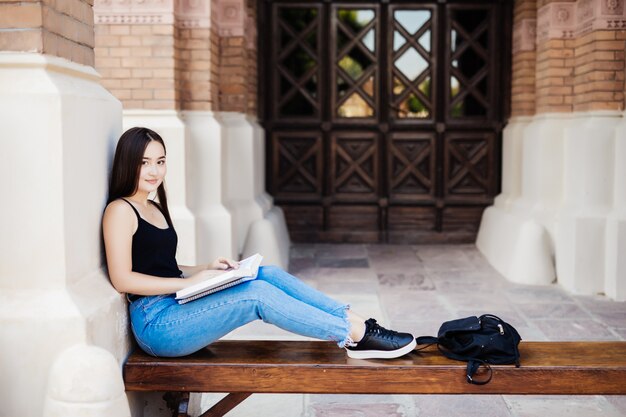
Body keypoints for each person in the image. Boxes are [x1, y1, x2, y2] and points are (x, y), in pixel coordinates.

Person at [102, 127, 416, 359]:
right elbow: (123, 278)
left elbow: (159, 266)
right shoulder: (120, 211)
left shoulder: (153, 206)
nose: (154, 171)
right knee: (257, 295)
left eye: (160, 161)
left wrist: (205, 268)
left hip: (175, 304)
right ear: (129, 164)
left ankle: (352, 319)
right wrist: (188, 282)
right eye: (145, 163)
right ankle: (353, 336)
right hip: (157, 324)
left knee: (266, 274)